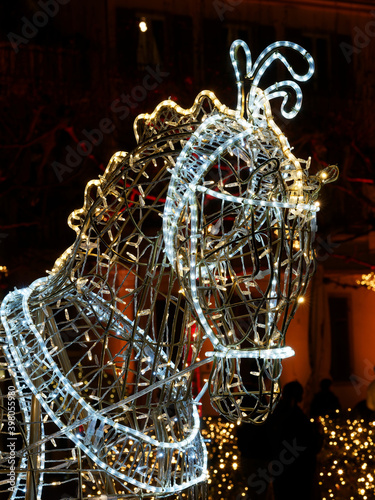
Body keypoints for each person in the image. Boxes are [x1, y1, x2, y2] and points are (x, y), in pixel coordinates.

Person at [268, 381, 323, 500]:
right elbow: (309, 444)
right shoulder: (297, 417)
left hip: (281, 468)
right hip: (299, 471)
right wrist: (318, 433)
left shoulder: (277, 413)